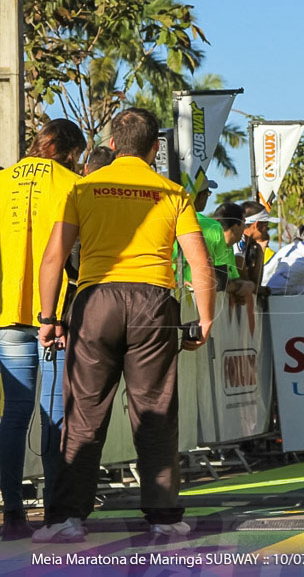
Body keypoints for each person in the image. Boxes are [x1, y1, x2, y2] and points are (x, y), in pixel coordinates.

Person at [33, 108, 215, 542]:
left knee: (84, 414)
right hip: (155, 303)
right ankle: (165, 517)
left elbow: (55, 258)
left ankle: (65, 519)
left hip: (95, 301)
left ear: (112, 144)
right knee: (154, 411)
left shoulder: (83, 187)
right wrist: (205, 319)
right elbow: (200, 266)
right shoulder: (173, 193)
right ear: (155, 148)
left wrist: (48, 317)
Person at [0, 119, 85, 539]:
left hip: (7, 314)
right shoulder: (72, 183)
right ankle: (55, 511)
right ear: (69, 150)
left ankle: (12, 512)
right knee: (55, 414)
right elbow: (78, 255)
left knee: (14, 413)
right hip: (55, 317)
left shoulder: (3, 181)